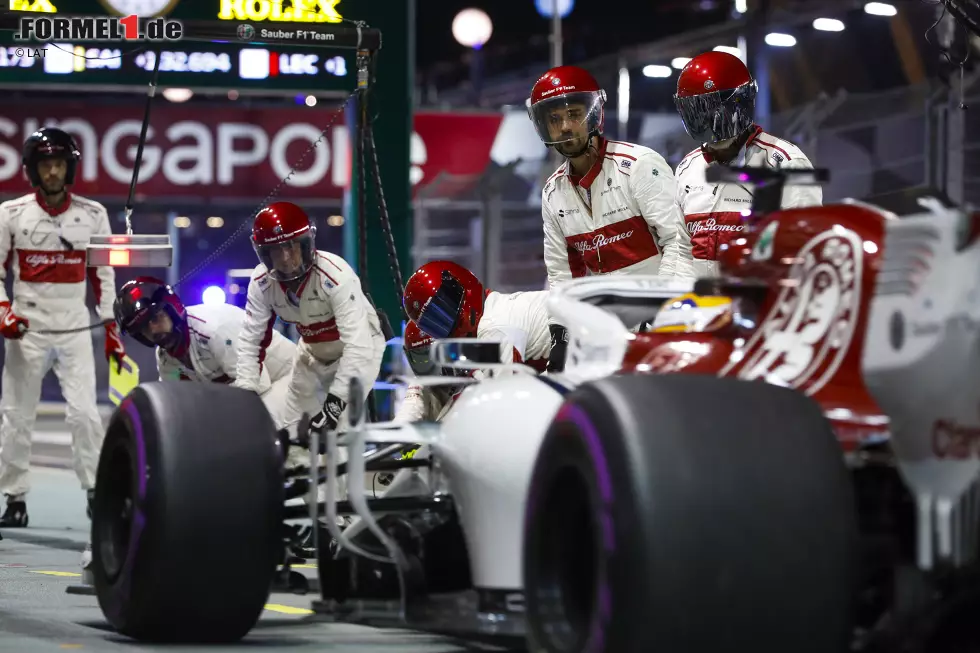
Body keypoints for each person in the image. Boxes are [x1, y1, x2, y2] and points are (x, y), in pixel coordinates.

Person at [526, 64, 695, 371]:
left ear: (594, 114)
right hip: (608, 333)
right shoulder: (552, 192)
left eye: (574, 114)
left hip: (668, 323)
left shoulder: (640, 165)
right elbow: (562, 274)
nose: (565, 126)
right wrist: (561, 337)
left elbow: (679, 243)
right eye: (554, 119)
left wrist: (662, 311)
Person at [0, 127, 125, 529]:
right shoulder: (10, 214)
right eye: (45, 165)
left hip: (74, 327)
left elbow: (104, 274)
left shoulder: (93, 215)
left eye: (58, 164)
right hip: (27, 328)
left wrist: (109, 326)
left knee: (86, 415)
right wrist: (4, 311)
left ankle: (94, 492)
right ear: (33, 171)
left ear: (69, 168)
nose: (52, 172)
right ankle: (14, 498)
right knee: (17, 416)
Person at [234, 201, 386, 438]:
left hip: (360, 349)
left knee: (338, 437)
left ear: (307, 243)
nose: (286, 259)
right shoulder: (261, 283)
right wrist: (244, 395)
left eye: (292, 247)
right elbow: (250, 343)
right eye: (276, 250)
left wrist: (334, 405)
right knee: (289, 429)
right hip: (311, 350)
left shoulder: (336, 276)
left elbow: (358, 347)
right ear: (264, 253)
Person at [673, 50, 822, 278]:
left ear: (738, 105)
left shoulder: (787, 163)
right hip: (702, 307)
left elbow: (803, 250)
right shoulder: (687, 168)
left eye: (712, 111)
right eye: (697, 111)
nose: (706, 121)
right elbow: (682, 252)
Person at [112, 276, 304, 429]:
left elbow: (256, 388)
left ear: (171, 308)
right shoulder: (165, 357)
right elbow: (174, 404)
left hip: (290, 377)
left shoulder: (214, 329)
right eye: (144, 328)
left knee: (261, 426)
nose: (153, 331)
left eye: (155, 319)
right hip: (255, 393)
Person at [402, 260, 551, 372]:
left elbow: (503, 401)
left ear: (460, 283)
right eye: (434, 322)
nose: (445, 322)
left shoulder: (492, 329)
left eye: (446, 304)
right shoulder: (495, 306)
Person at [394, 321, 468, 424]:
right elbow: (407, 414)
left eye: (433, 357)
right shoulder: (421, 382)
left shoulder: (473, 379)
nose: (428, 366)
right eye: (421, 359)